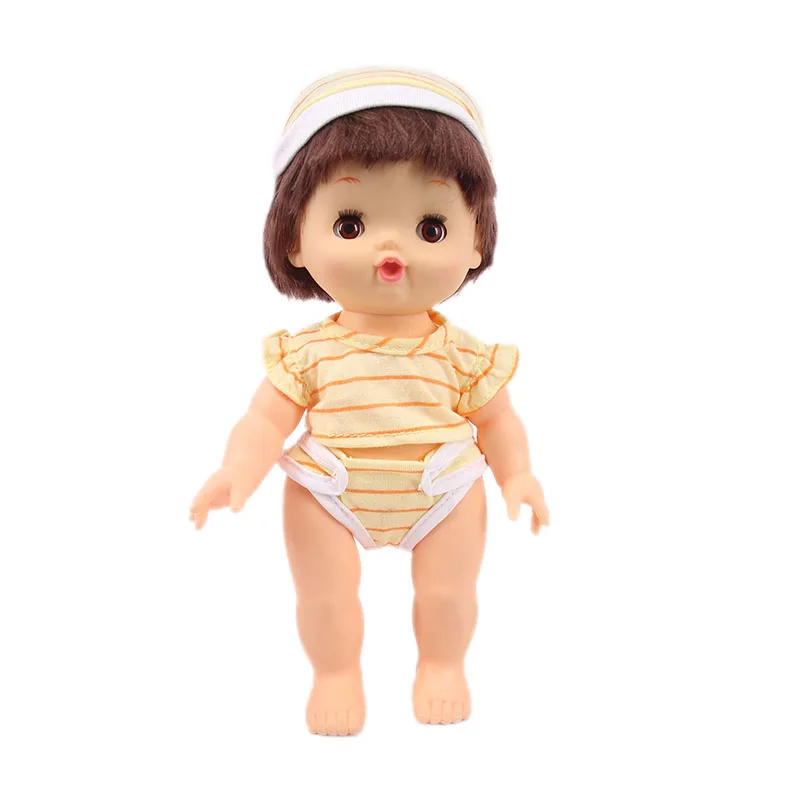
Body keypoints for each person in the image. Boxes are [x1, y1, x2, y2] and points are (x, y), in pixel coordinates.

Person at [189, 66, 550, 736]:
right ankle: (335, 673)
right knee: (324, 598)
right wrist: (237, 469)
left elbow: (498, 419)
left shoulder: (461, 354)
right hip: (330, 489)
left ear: (476, 241)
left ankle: (442, 664)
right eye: (350, 223)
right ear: (294, 238)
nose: (391, 248)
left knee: (447, 595)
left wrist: (518, 474)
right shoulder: (308, 354)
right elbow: (265, 418)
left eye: (431, 227)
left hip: (442, 488)